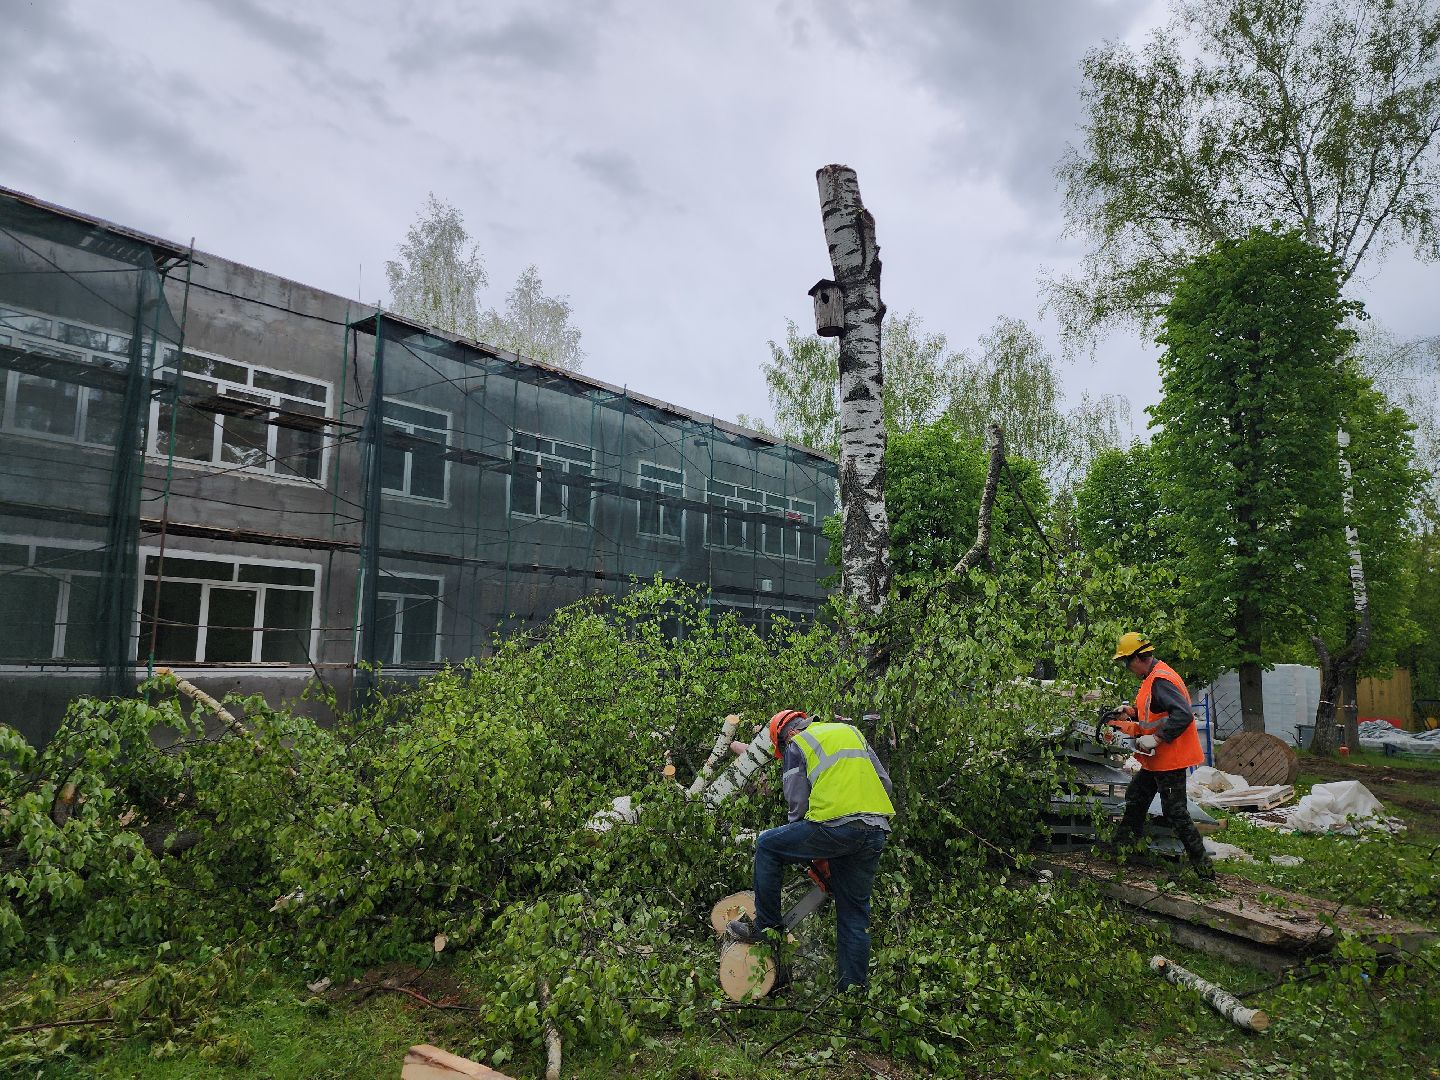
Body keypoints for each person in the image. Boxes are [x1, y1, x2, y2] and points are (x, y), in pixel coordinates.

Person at [727, 709, 895, 991]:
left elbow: (798, 808)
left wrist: (810, 850)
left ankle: (767, 930)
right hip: (874, 828)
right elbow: (885, 784)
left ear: (787, 734)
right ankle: (853, 995)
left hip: (834, 826)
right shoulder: (852, 732)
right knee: (854, 915)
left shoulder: (797, 743)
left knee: (768, 844)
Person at [1107, 633, 1214, 879]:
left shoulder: (1161, 680)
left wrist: (1156, 738)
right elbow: (1154, 712)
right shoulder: (1152, 677)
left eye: (1126, 661)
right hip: (1158, 759)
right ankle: (1122, 850)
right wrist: (1130, 712)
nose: (1126, 667)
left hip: (1170, 758)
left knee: (1176, 812)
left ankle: (1205, 873)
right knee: (1136, 796)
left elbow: (1183, 715)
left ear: (1138, 657)